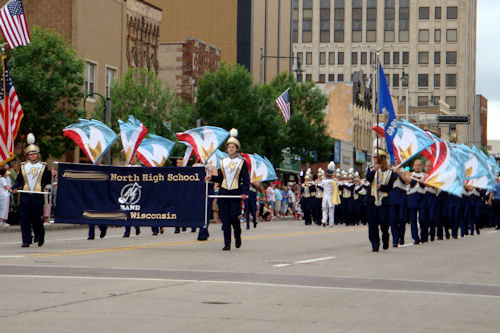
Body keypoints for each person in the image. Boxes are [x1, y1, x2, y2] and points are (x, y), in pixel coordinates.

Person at [205, 128, 249, 251]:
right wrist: (211, 177)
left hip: (235, 193)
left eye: (233, 147)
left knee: (235, 219)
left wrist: (245, 192)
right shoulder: (223, 161)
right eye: (229, 147)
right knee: (225, 220)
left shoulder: (242, 162)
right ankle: (227, 243)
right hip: (223, 193)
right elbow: (220, 177)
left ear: (237, 148)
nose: (230, 149)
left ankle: (237, 235)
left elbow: (246, 179)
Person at [11, 134, 52, 247]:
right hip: (25, 196)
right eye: (30, 154)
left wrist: (48, 186)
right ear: (28, 155)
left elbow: (48, 180)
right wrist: (14, 187)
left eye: (34, 153)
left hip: (37, 196)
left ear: (37, 154)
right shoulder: (23, 166)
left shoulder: (43, 166)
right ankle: (26, 240)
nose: (33, 155)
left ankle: (40, 234)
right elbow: (18, 180)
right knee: (24, 219)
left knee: (36, 219)